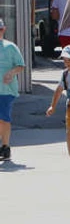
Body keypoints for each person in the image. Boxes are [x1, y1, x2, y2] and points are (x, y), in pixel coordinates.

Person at [0, 19, 25, 161]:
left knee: (4, 118)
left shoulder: (10, 47)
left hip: (6, 89)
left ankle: (5, 146)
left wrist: (11, 73)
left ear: (3, 30)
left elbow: (21, 65)